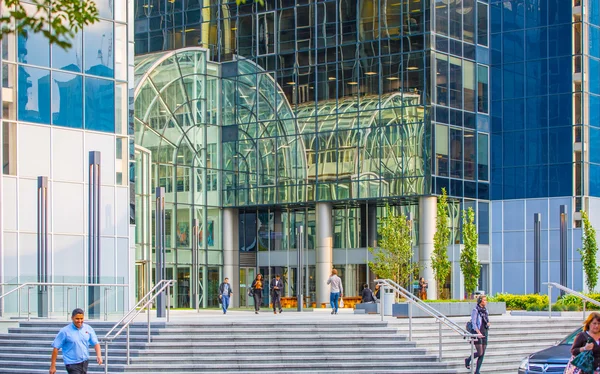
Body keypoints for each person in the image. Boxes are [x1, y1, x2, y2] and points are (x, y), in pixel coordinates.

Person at [50, 308, 102, 374]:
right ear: (72, 318)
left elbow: (96, 343)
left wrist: (99, 355)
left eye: (81, 319)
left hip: (84, 362)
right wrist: (53, 366)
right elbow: (56, 348)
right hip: (72, 363)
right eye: (77, 319)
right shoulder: (65, 331)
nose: (79, 321)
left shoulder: (88, 329)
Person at [465, 295, 490, 373]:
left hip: (485, 331)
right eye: (484, 300)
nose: (486, 302)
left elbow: (485, 320)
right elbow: (474, 323)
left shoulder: (486, 310)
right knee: (480, 352)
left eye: (486, 300)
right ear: (480, 301)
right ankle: (468, 360)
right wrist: (478, 332)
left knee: (482, 354)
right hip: (477, 332)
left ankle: (477, 371)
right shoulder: (475, 310)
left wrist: (488, 324)